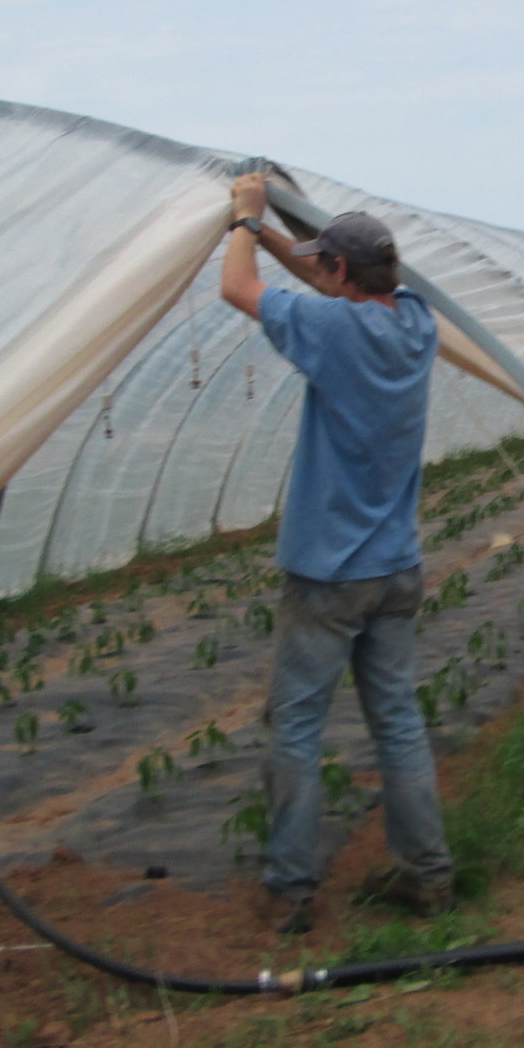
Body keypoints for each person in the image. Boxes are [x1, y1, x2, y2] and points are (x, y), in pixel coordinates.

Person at [219, 172, 454, 936]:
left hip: (328, 575)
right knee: (396, 720)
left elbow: (236, 286)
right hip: (395, 568)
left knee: (295, 725)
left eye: (328, 264)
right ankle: (430, 876)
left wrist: (244, 221)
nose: (320, 270)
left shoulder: (332, 331)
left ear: (341, 275)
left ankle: (290, 890)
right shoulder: (417, 323)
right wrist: (290, 228)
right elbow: (324, 277)